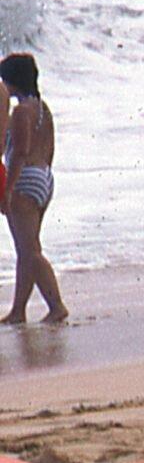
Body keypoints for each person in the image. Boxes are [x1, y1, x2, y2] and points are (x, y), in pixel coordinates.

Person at [1, 54, 65, 325]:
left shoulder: (21, 112)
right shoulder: (42, 108)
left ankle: (57, 305)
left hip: (24, 179)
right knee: (28, 248)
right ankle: (18, 311)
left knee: (30, 251)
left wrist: (8, 188)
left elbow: (19, 153)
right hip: (44, 177)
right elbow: (48, 149)